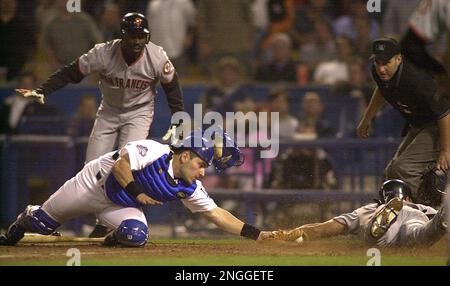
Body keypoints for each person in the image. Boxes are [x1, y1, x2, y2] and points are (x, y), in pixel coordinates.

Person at [16, 12, 185, 236]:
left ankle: (111, 223)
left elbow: (172, 86)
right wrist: (43, 89)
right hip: (109, 112)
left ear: (147, 37)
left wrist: (178, 118)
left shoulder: (157, 56)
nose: (137, 41)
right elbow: (72, 72)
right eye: (132, 36)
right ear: (122, 36)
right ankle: (66, 217)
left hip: (139, 113)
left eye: (141, 36)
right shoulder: (103, 52)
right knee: (91, 167)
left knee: (128, 163)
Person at [0, 130, 272, 247]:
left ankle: (114, 235)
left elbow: (217, 214)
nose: (202, 172)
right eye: (201, 164)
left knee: (136, 235)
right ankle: (25, 218)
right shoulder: (155, 150)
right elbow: (120, 167)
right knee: (42, 224)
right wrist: (138, 193)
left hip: (120, 204)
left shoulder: (190, 186)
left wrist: (256, 234)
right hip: (92, 185)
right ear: (185, 155)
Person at [356, 37, 450, 204]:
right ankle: (398, 216)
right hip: (421, 124)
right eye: (378, 62)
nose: (381, 68)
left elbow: (444, 114)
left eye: (386, 62)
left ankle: (430, 215)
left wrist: (445, 150)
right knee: (391, 172)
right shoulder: (380, 73)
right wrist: (367, 118)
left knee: (404, 169)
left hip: (441, 125)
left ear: (399, 58)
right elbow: (382, 90)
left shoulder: (417, 79)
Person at [269, 179, 447, 248]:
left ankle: (378, 227)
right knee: (423, 232)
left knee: (375, 236)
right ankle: (445, 208)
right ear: (407, 196)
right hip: (415, 223)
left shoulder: (367, 209)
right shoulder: (421, 208)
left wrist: (292, 234)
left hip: (378, 228)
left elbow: (324, 229)